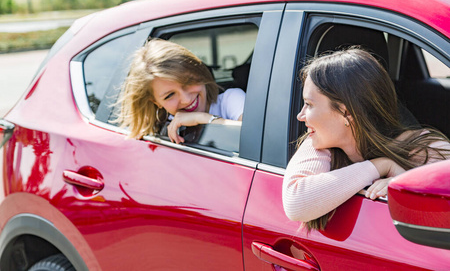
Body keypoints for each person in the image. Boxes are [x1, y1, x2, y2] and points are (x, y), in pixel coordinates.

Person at [282, 48, 450, 232]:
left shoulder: (428, 150)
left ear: (345, 112)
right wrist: (380, 166)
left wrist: (402, 185)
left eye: (309, 104)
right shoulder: (320, 142)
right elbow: (296, 203)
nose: (301, 115)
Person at [116, 38, 245, 143]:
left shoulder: (230, 100)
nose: (186, 99)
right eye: (170, 95)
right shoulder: (154, 131)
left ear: (200, 73)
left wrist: (203, 118)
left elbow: (252, 136)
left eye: (188, 82)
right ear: (156, 102)